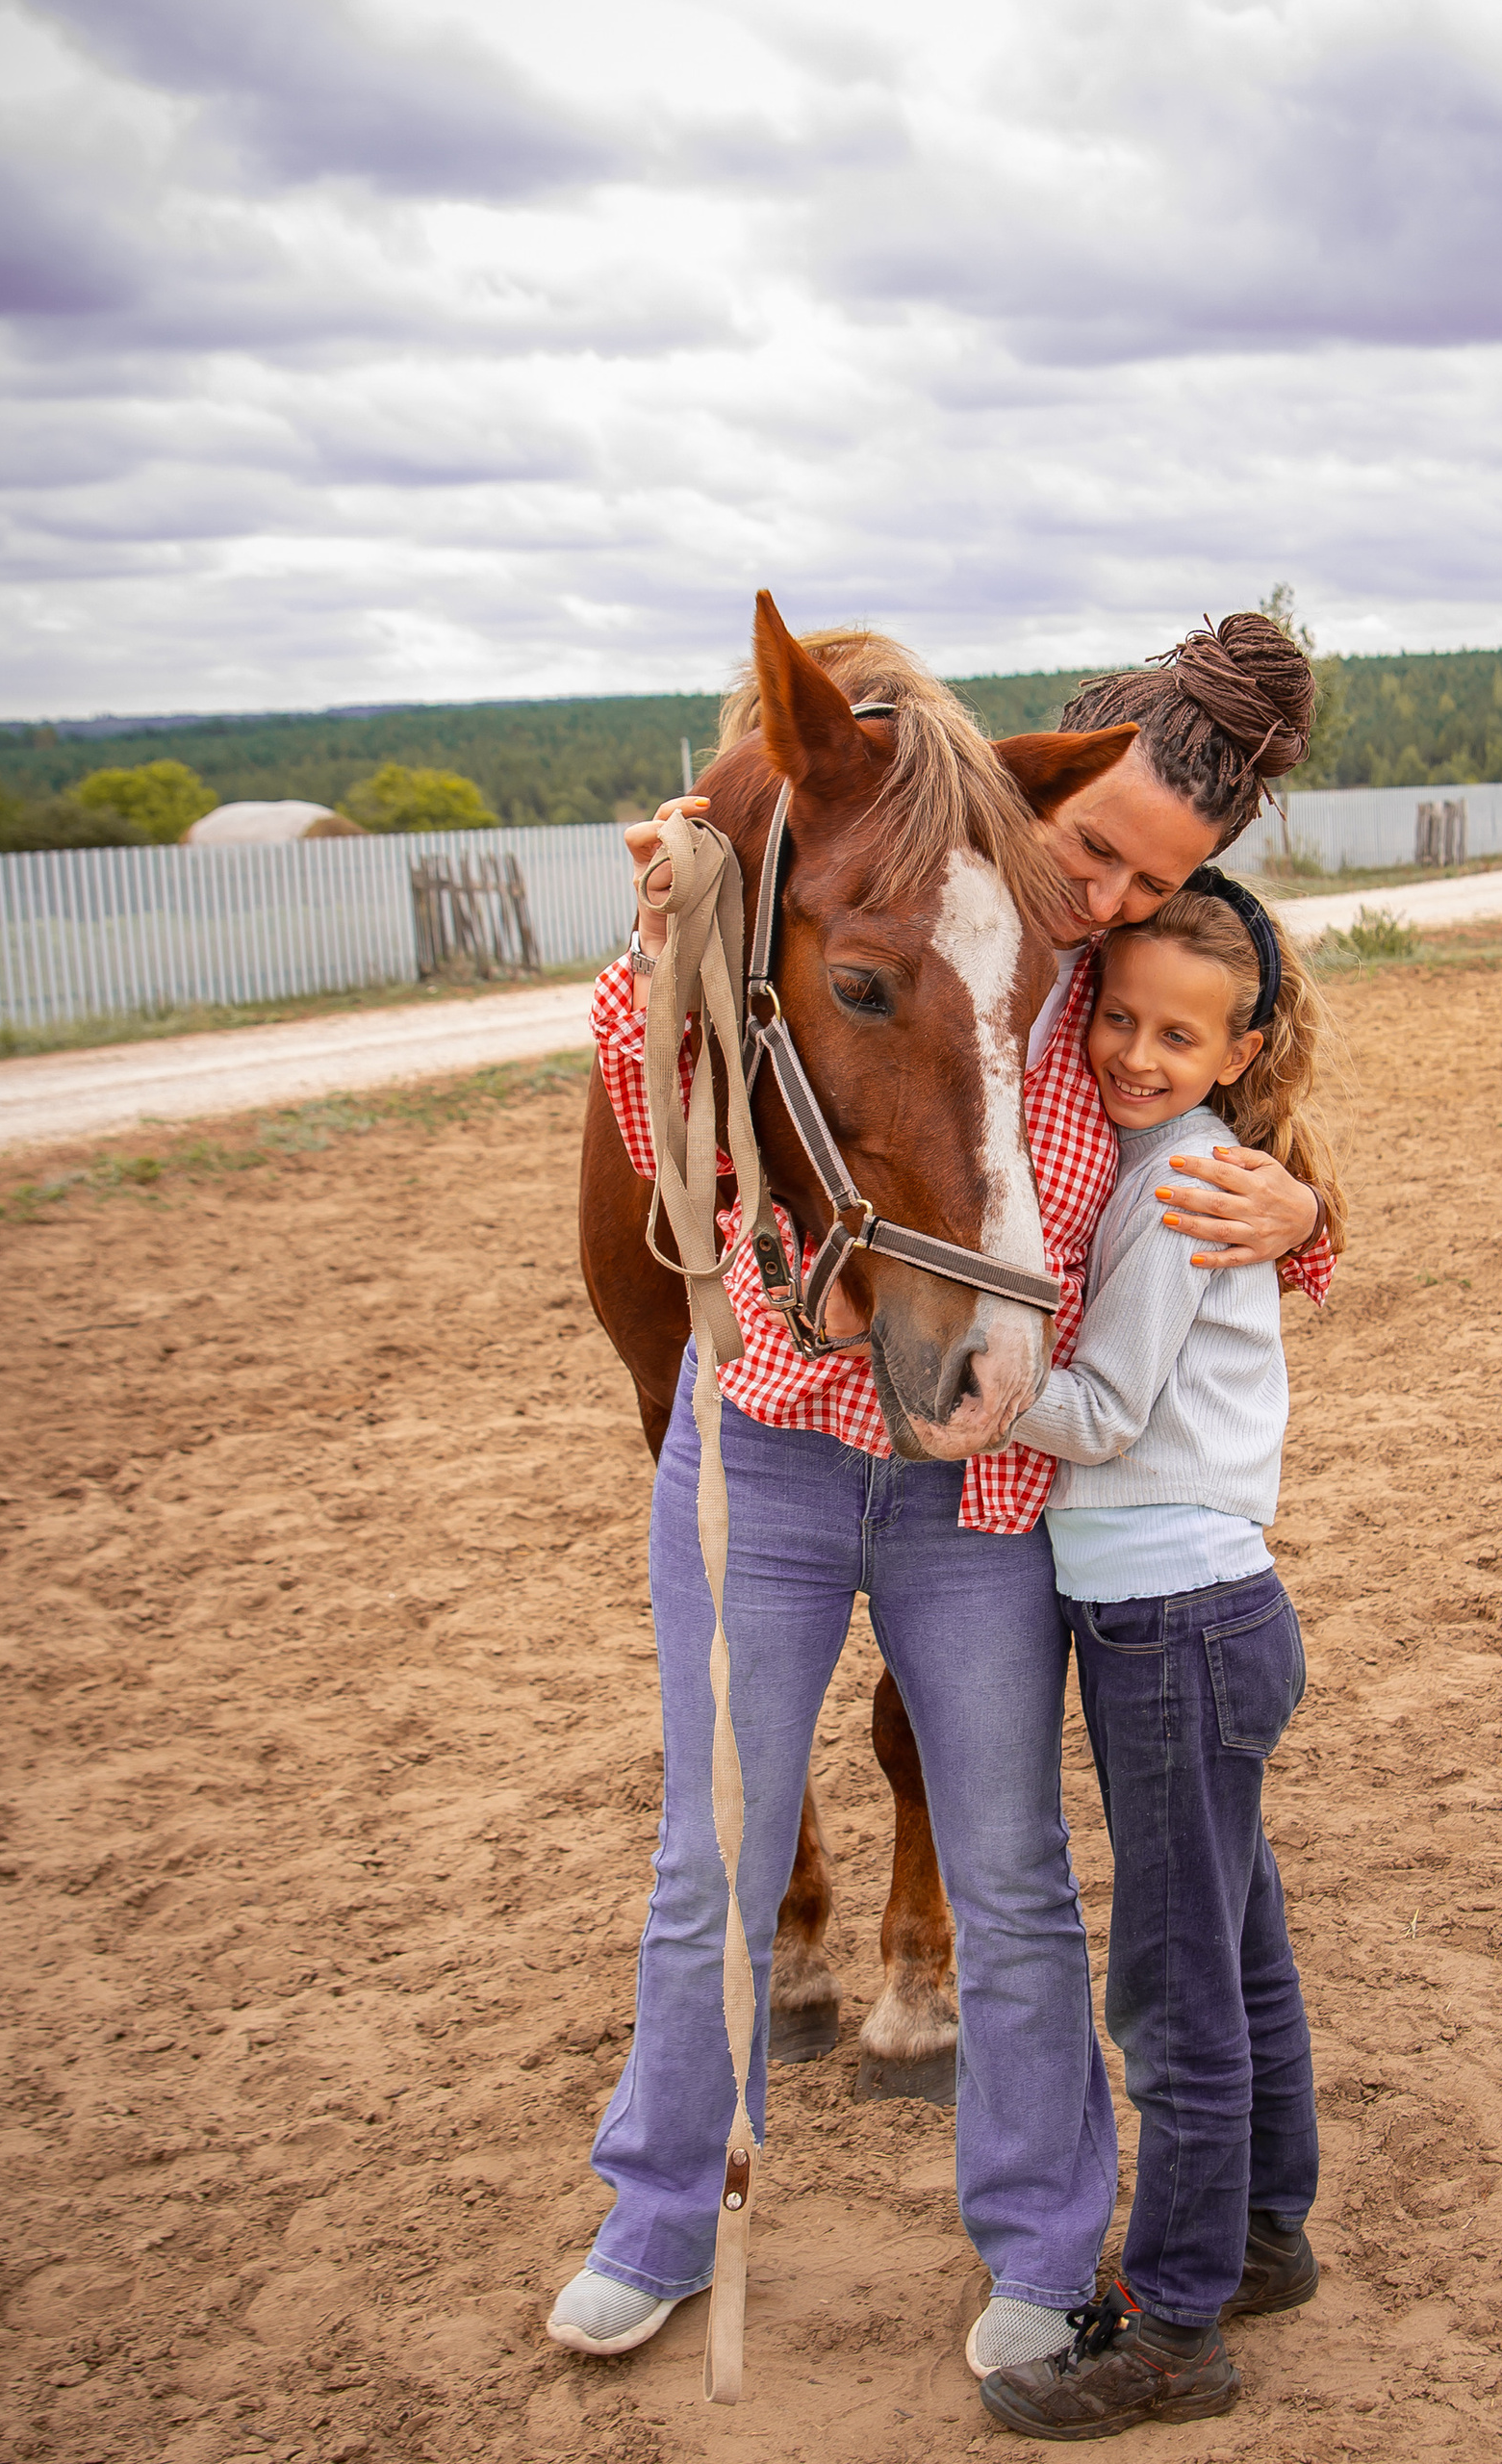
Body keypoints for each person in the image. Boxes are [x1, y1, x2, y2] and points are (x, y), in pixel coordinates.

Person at [547, 617, 1337, 2372]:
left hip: (979, 1486)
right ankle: (662, 2210)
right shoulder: (898, 870)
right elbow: (659, 1083)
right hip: (766, 1428)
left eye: (1160, 873)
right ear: (1037, 780)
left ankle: (1048, 2254)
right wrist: (684, 904)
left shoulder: (1138, 968)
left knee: (1013, 1873)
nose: (1119, 896)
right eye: (1107, 849)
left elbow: (1250, 1118)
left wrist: (1303, 1219)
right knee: (715, 1854)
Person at [978, 878, 1345, 2439]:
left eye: (1174, 1033)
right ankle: (1265, 2232)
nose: (1133, 1050)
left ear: (1237, 1044)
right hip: (1207, 1610)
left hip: (1169, 1618)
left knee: (1176, 1988)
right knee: (1240, 1944)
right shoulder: (1158, 1158)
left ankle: (1180, 2326)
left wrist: (972, 1392)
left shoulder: (1184, 1179)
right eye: (1115, 1018)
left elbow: (1109, 1409)